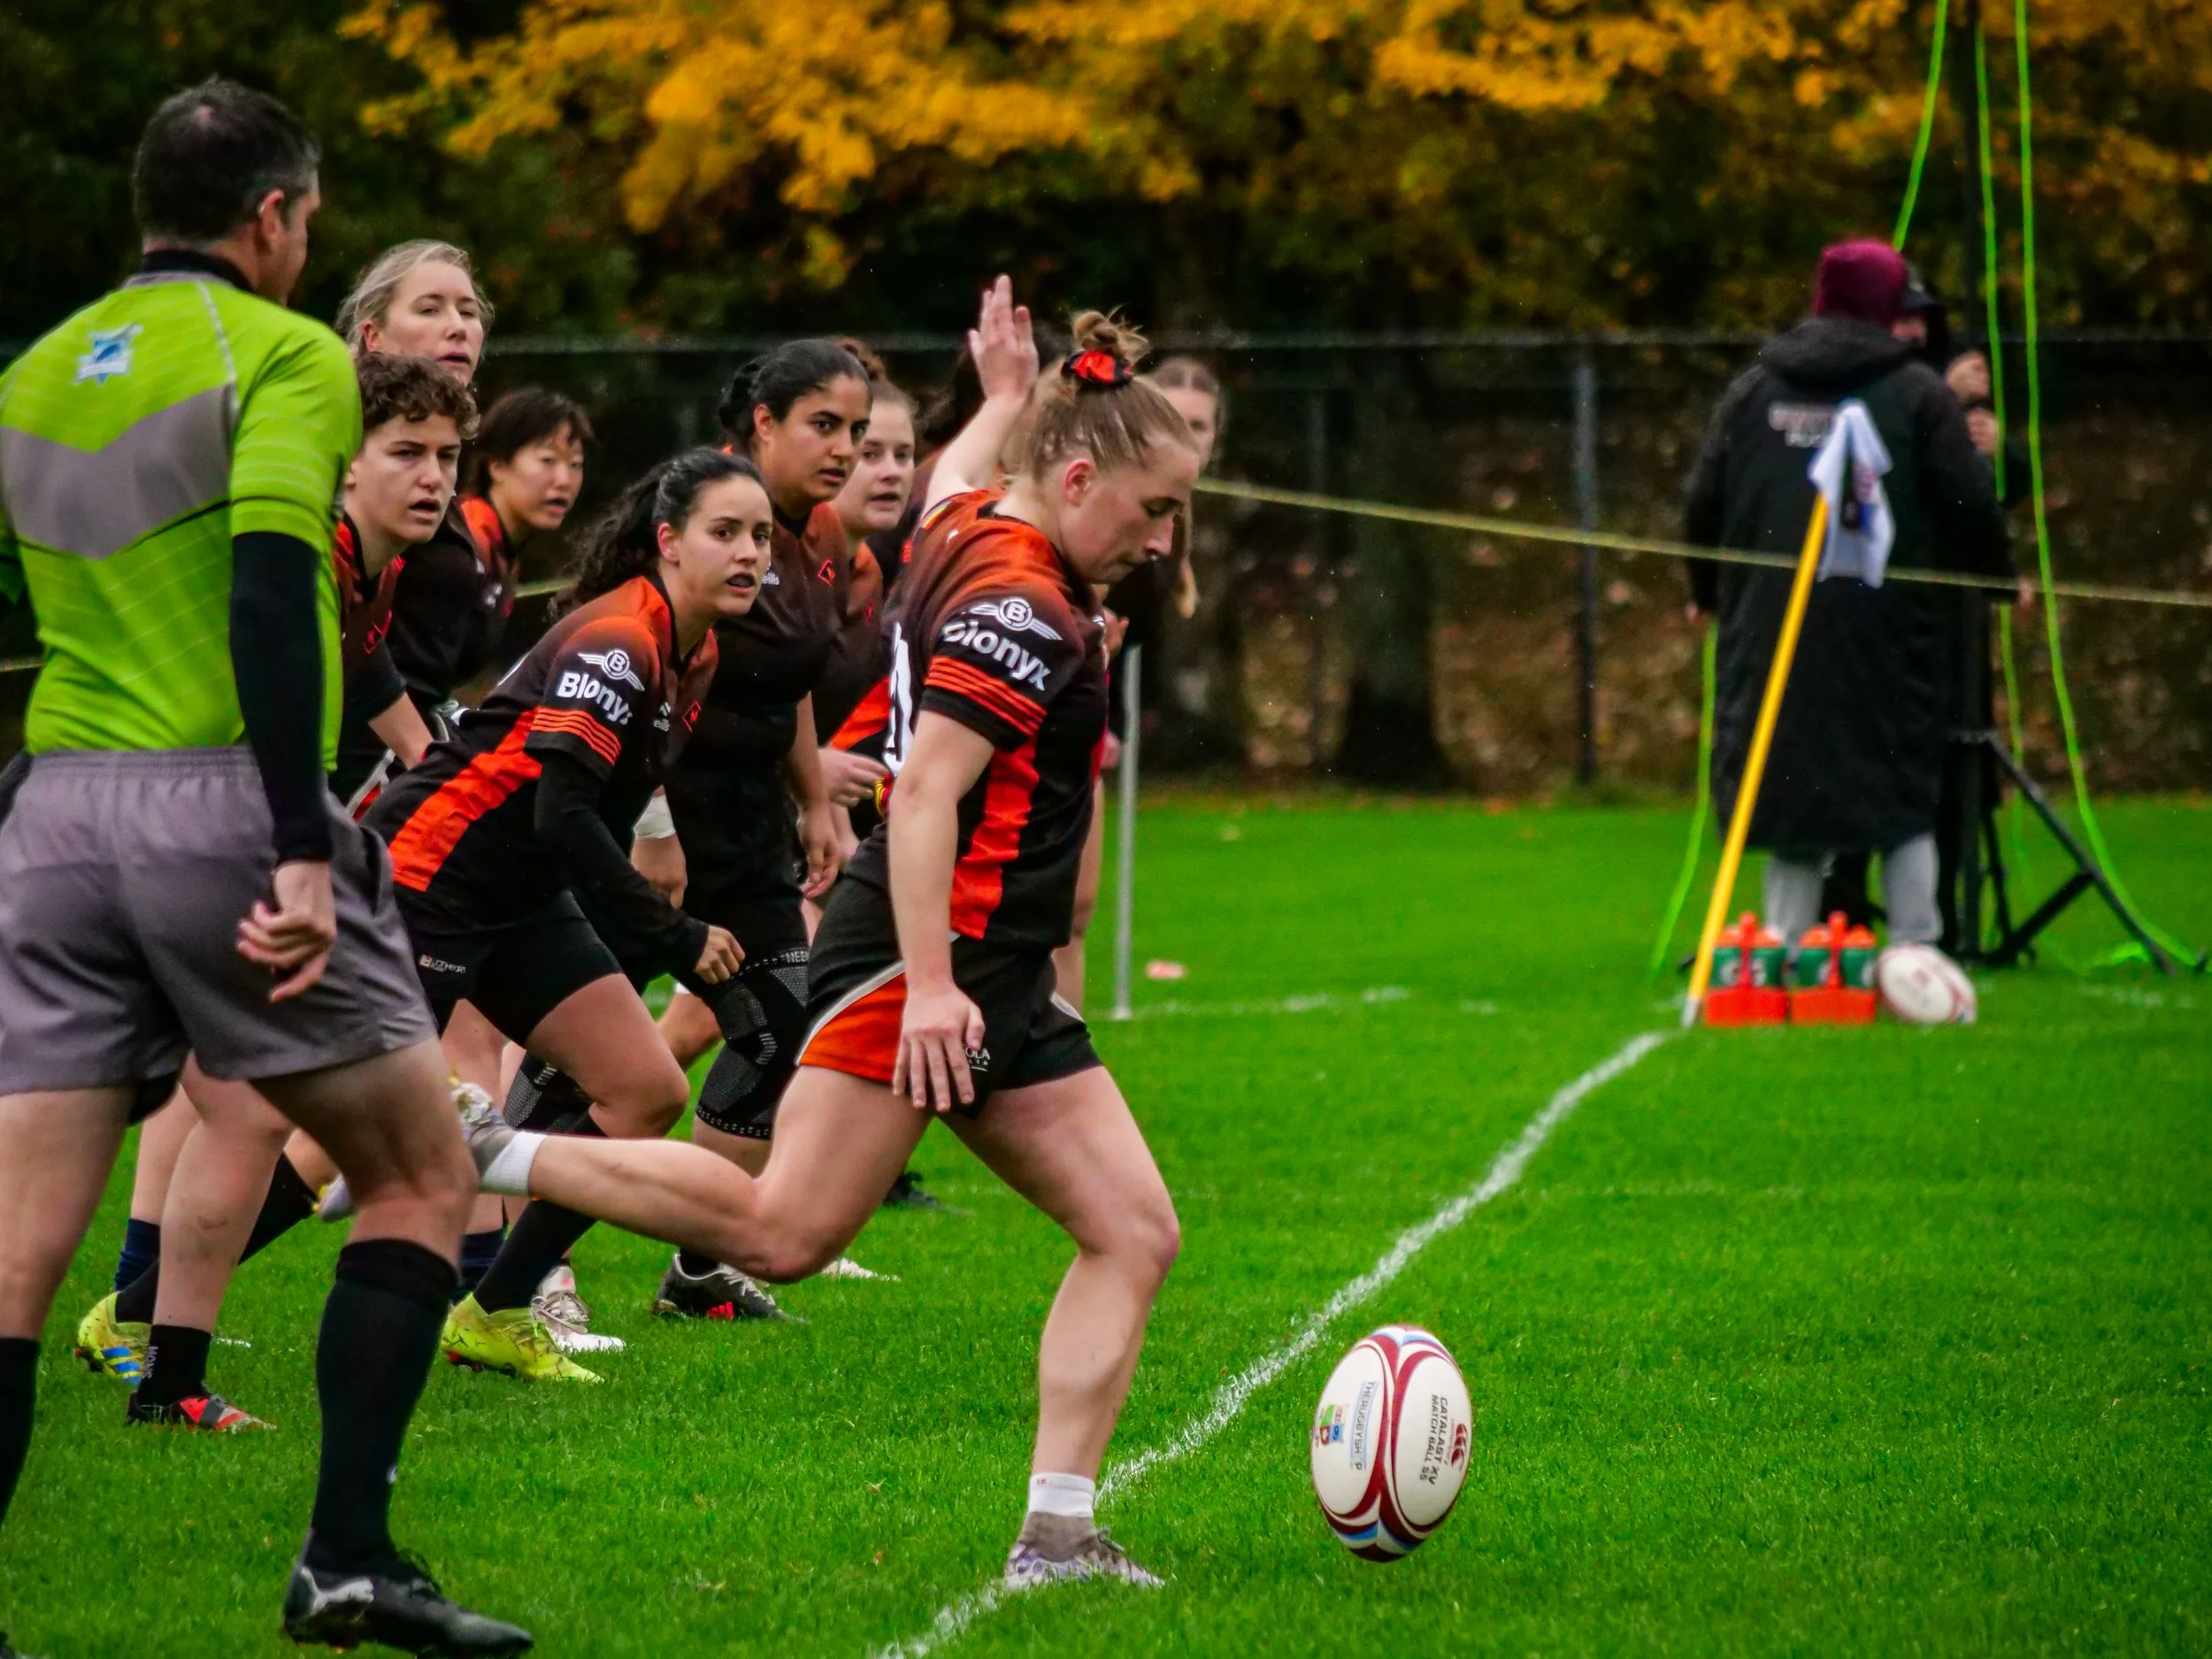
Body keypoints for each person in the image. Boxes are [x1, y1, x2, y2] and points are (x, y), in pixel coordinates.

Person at [427, 295, 1200, 1587]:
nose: (1167, 538)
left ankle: (1057, 1533)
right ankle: (493, 1145)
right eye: (1156, 506)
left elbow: (958, 464)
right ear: (1078, 477)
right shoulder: (1025, 603)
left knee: (1135, 1229)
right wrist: (939, 987)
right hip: (926, 961)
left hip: (985, 966)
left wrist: (1004, 386)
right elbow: (932, 796)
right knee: (784, 1232)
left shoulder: (976, 518)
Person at [0, 81, 526, 1655]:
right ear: (279, 219)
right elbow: (262, 584)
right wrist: (303, 838)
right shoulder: (286, 355)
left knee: (19, 1264)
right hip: (215, 804)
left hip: (52, 813)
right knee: (424, 1169)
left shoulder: (33, 372)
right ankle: (347, 1558)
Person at [74, 355, 479, 1421]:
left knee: (239, 1109)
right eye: (406, 454)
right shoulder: (301, 555)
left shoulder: (367, 569)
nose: (433, 476)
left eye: (447, 456)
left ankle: (165, 1378)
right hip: (150, 833)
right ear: (346, 469)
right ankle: (159, 1371)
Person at [353, 449, 770, 1381]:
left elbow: (585, 819)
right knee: (335, 1143)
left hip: (519, 895)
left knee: (646, 1090)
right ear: (666, 541)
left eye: (760, 538)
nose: (749, 554)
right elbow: (564, 812)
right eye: (725, 533)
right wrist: (676, 934)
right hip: (427, 877)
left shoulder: (694, 648)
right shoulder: (618, 640)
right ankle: (140, 1315)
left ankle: (498, 1310)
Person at [599, 340, 862, 1323]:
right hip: (657, 821)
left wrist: (814, 799)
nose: (843, 449)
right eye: (823, 426)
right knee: (582, 1059)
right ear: (763, 425)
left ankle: (698, 1264)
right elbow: (649, 669)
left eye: (857, 431)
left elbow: (791, 682)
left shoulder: (818, 538)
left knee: (783, 1026)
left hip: (752, 827)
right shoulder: (710, 521)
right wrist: (653, 824)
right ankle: (527, 1273)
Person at [1683, 238, 2015, 951]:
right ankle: (1916, 953)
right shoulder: (1919, 394)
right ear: (1887, 306)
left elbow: (1702, 500)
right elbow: (1968, 502)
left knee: (1788, 771)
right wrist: (1997, 579)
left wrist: (1705, 591)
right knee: (1898, 783)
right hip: (1893, 631)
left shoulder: (1754, 390)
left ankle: (1787, 947)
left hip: (1774, 627)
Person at [1057, 357, 1223, 1009]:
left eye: (1201, 426)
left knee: (1073, 909)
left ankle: (1055, 1051)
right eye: (1175, 419)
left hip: (1083, 706)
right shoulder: (1113, 513)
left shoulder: (1173, 524)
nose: (1189, 434)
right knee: (1047, 910)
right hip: (1049, 703)